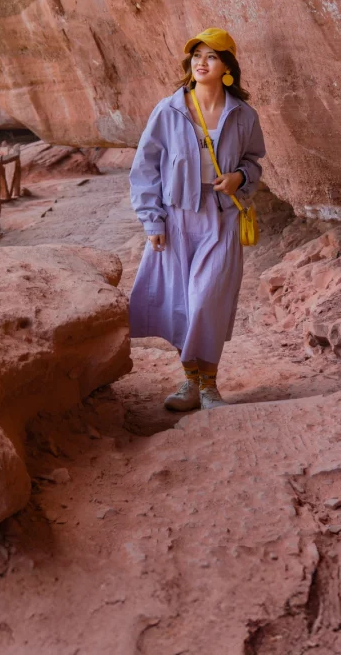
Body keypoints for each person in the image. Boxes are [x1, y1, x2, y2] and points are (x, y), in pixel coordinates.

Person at [128, 28, 266, 410]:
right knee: (183, 304)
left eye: (211, 56)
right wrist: (152, 220)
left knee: (208, 301)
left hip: (221, 217)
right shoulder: (168, 110)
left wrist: (240, 177)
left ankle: (210, 385)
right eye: (196, 56)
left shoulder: (243, 115)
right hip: (176, 217)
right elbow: (145, 168)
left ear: (227, 67)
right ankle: (191, 383)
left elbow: (254, 162)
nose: (201, 62)